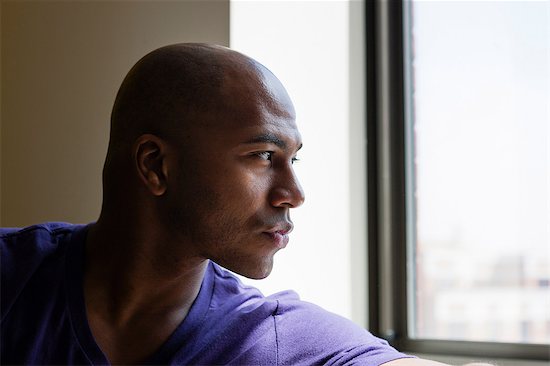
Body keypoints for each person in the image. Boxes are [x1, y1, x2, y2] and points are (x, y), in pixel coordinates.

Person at [1, 44, 492, 366]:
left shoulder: (272, 342)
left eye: (294, 159)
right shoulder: (14, 281)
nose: (294, 193)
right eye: (262, 156)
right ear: (155, 165)